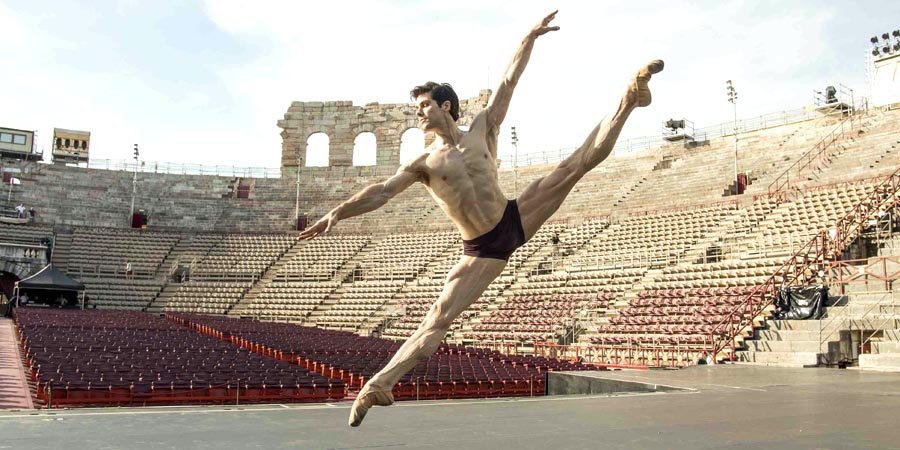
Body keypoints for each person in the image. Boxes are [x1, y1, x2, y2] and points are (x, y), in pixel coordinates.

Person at [298, 10, 663, 427]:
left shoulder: (483, 129)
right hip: (482, 248)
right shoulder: (424, 162)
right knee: (437, 320)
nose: (418, 113)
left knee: (574, 166)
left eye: (423, 106)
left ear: (444, 106)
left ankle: (630, 98)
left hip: (514, 217)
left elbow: (508, 82)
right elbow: (380, 192)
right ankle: (379, 385)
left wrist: (528, 38)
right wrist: (337, 213)